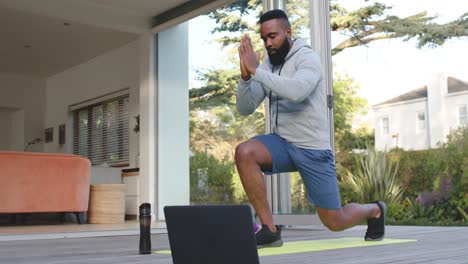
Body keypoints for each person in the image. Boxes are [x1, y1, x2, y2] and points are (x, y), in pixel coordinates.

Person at [235, 9, 386, 248]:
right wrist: (245, 78)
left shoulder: (308, 59)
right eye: (264, 39)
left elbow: (297, 91)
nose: (268, 43)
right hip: (283, 143)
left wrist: (256, 72)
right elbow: (245, 108)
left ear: (288, 32)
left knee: (334, 221)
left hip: (312, 149)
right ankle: (270, 230)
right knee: (245, 152)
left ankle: (375, 210)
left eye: (273, 36)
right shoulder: (268, 66)